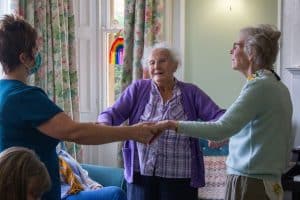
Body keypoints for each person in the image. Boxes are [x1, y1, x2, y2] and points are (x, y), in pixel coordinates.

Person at [0, 14, 158, 200]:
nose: (38, 55)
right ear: (24, 58)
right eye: (35, 50)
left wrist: (101, 127)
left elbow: (73, 129)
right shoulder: (25, 96)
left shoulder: (4, 91)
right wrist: (133, 132)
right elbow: (76, 133)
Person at [156, 24, 293, 200]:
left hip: (250, 182)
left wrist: (172, 124)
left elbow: (220, 128)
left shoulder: (259, 87)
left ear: (251, 53)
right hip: (266, 182)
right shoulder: (275, 85)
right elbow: (262, 131)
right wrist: (229, 136)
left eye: (236, 46)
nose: (231, 51)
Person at [97, 42, 225, 200]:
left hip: (180, 174)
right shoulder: (138, 89)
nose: (156, 66)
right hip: (141, 172)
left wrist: (220, 134)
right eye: (152, 62)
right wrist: (103, 124)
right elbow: (112, 112)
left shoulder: (191, 92)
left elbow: (219, 115)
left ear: (175, 65)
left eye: (162, 60)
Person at [58, 149, 126, 200]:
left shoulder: (62, 153)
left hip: (84, 190)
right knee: (116, 193)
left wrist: (95, 186)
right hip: (66, 195)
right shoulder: (49, 161)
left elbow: (83, 174)